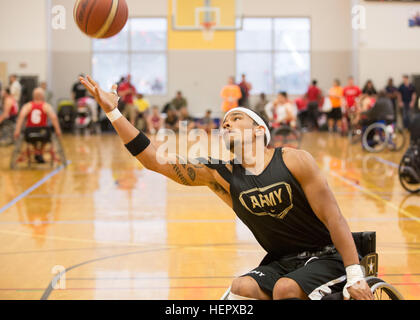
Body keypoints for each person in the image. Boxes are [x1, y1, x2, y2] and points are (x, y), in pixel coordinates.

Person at [79, 74, 374, 301]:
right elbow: (155, 160)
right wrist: (113, 113)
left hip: (326, 255)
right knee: (241, 287)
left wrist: (355, 274)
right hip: (283, 261)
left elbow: (334, 217)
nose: (227, 124)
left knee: (285, 289)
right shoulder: (220, 174)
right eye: (224, 122)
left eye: (236, 118)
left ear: (260, 131)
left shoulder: (295, 160)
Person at [13, 88, 62, 164]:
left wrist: (17, 131)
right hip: (43, 133)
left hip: (29, 133)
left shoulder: (27, 106)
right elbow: (54, 118)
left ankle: (37, 152)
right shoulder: (46, 106)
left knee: (32, 137)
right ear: (42, 96)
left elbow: (21, 117)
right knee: (45, 135)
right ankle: (40, 152)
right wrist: (58, 130)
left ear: (33, 96)